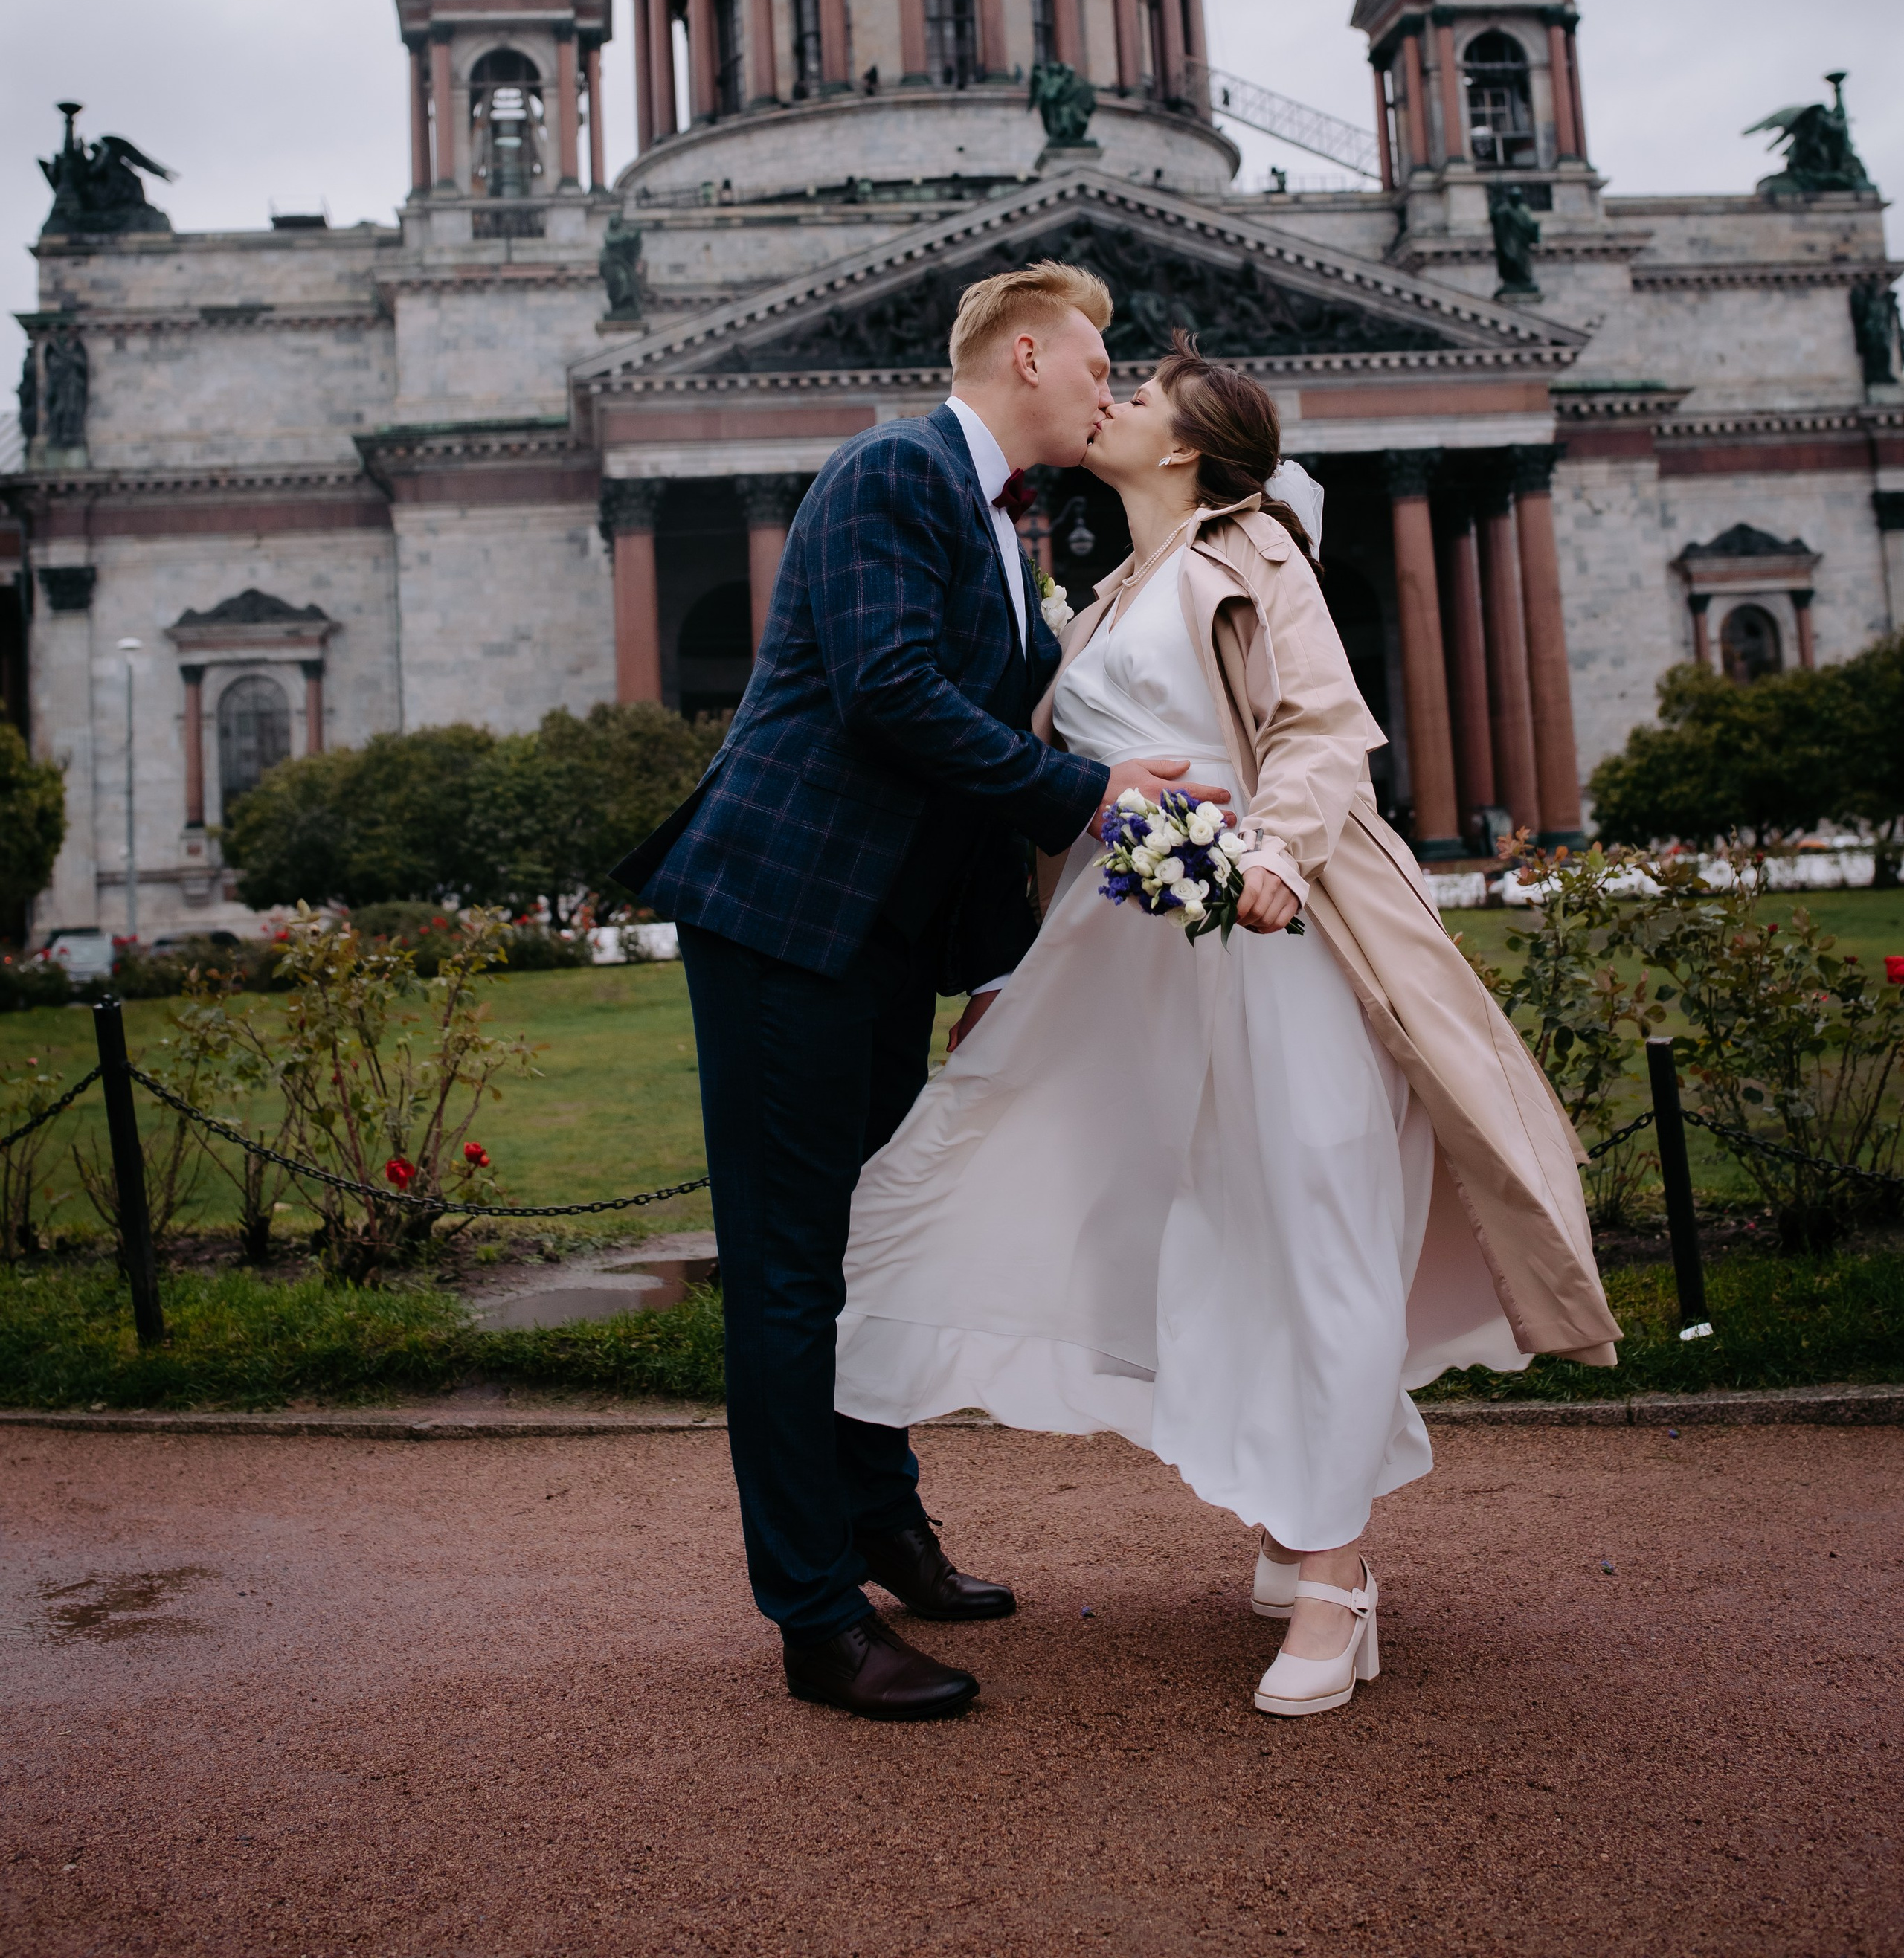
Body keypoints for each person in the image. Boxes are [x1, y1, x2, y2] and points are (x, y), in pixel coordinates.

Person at [836, 335, 1620, 1719]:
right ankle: (1289, 1512)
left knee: (1309, 1227)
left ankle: (1336, 1575)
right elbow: (1068, 799)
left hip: (1275, 946)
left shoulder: (1254, 548)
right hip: (1133, 973)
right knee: (1187, 1234)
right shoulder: (1098, 600)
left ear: (1190, 445)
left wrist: (1269, 857)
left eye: (1138, 393)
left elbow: (1321, 731)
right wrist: (1009, 972)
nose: (1112, 399)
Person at [610, 263, 1230, 1722]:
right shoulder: (889, 470)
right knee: (785, 1273)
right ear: (1024, 353)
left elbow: (958, 757)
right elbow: (888, 696)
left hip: (877, 935)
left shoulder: (993, 519)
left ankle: (882, 1528)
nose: (1108, 386)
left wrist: (996, 965)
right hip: (782, 922)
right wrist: (1088, 800)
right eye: (1094, 361)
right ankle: (815, 1621)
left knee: (869, 1249)